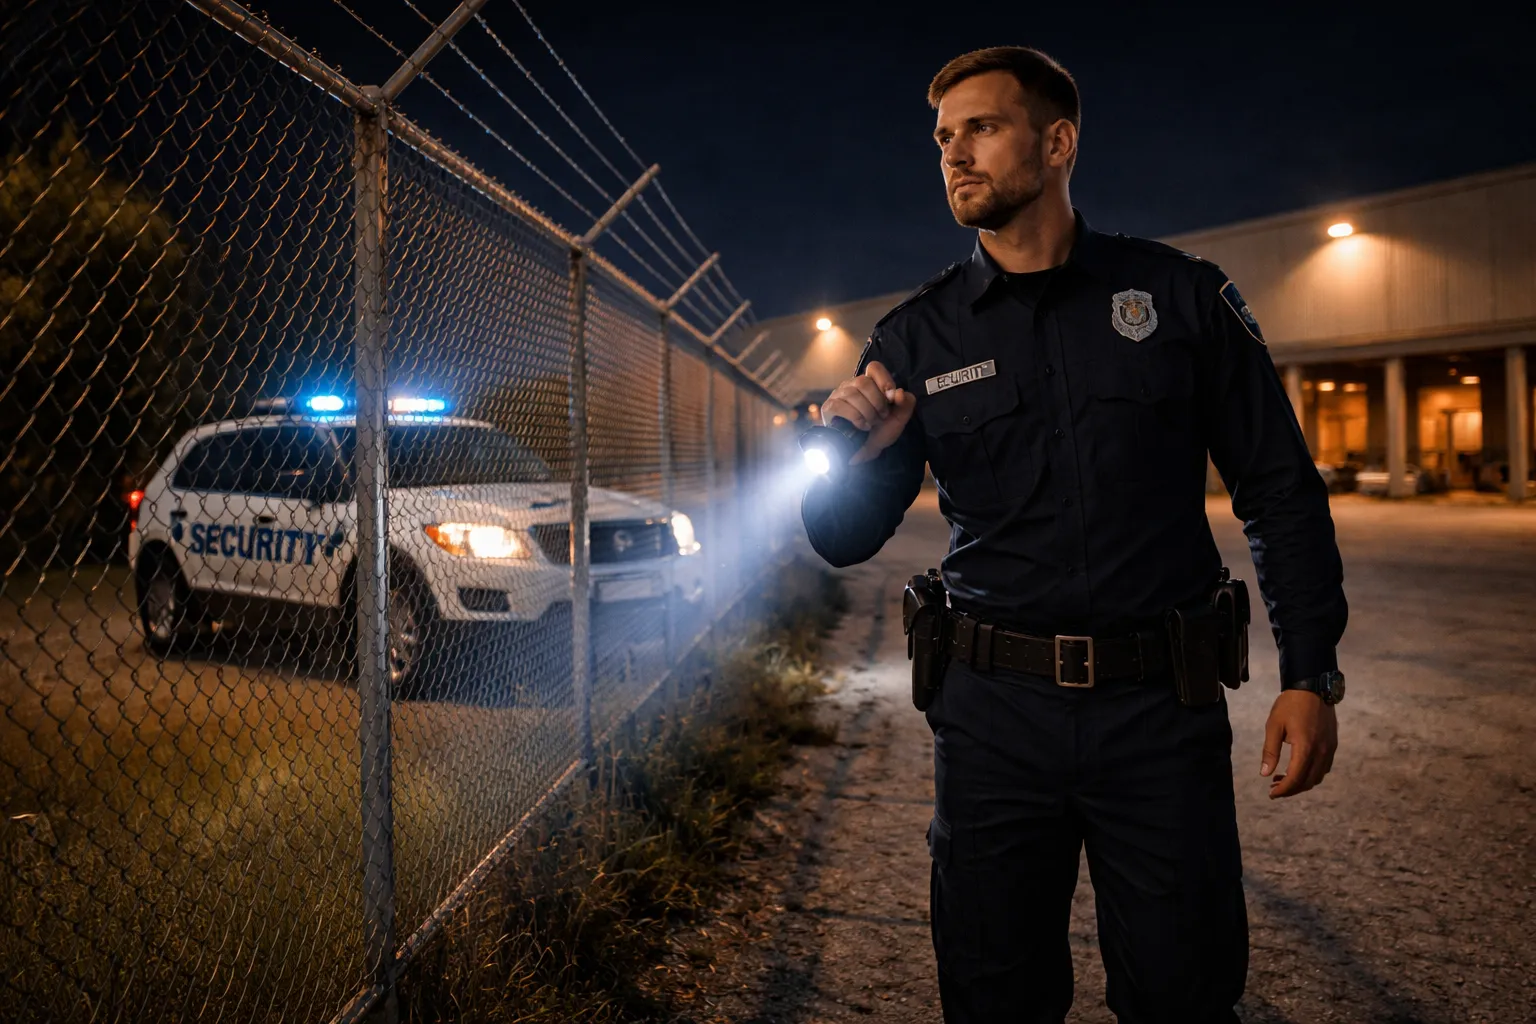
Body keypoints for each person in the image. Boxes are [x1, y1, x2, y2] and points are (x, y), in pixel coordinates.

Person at [800, 46, 1348, 1024]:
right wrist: (848, 457)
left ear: (1058, 143)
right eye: (941, 139)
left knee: (1183, 992)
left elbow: (1280, 490)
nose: (953, 155)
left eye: (981, 128)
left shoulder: (1180, 298)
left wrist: (1310, 673)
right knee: (994, 994)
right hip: (991, 721)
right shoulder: (915, 341)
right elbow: (841, 541)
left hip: (1158, 712)